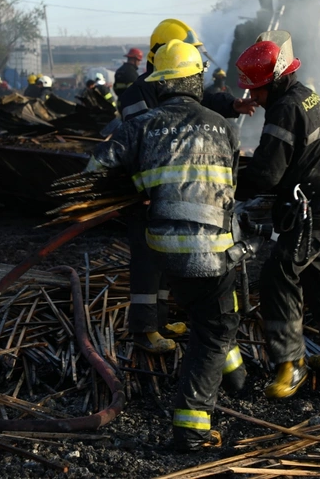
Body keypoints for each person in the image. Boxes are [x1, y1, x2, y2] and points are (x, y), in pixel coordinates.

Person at [87, 40, 240, 451]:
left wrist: (136, 189)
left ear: (161, 84)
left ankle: (235, 374)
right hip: (214, 251)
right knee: (214, 329)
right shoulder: (224, 125)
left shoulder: (139, 125)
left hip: (163, 251)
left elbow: (93, 169)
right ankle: (191, 427)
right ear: (195, 80)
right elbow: (231, 186)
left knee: (202, 313)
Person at [235, 30, 320, 399]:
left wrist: (225, 184)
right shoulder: (304, 96)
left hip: (314, 208)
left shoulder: (285, 108)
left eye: (257, 90)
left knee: (279, 275)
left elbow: (266, 174)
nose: (254, 98)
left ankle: (291, 364)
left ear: (275, 81)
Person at [116, 18, 256, 353]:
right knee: (147, 262)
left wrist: (233, 105)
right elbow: (138, 147)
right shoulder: (137, 95)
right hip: (148, 194)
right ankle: (144, 330)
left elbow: (200, 100)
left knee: (166, 258)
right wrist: (146, 193)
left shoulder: (171, 86)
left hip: (172, 190)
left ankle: (162, 320)